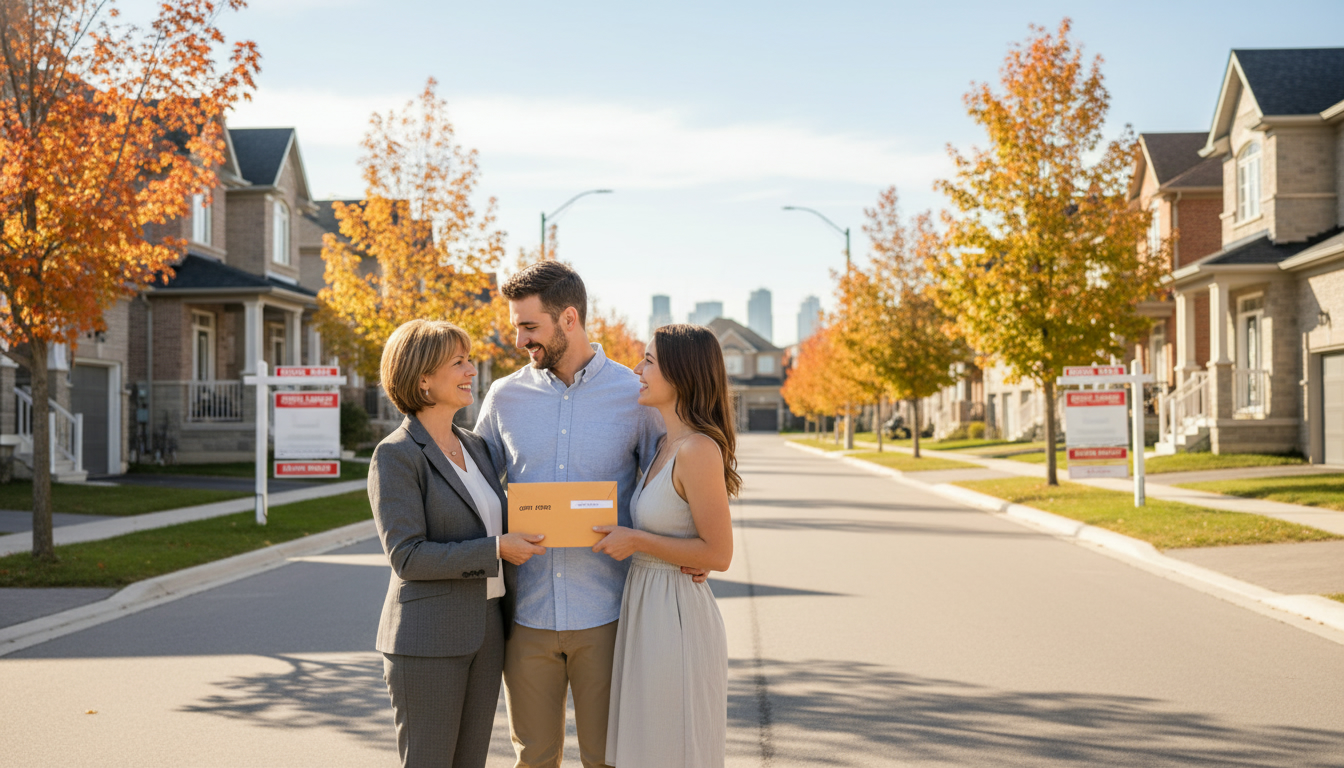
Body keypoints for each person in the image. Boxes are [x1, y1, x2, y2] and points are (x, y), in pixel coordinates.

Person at [475, 261, 705, 768]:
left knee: (606, 758)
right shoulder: (504, 397)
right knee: (533, 758)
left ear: (570, 319)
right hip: (527, 613)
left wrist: (693, 546)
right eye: (516, 325)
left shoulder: (636, 395)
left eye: (529, 326)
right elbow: (478, 490)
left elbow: (666, 483)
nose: (519, 339)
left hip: (609, 613)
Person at [369, 319, 547, 768]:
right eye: (459, 362)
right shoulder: (396, 455)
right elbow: (406, 556)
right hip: (427, 639)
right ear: (423, 378)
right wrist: (496, 551)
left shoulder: (477, 447)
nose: (472, 371)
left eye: (470, 360)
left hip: (487, 632)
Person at [594, 324, 738, 768]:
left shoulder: (697, 449)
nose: (637, 369)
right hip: (646, 606)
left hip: (674, 616)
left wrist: (636, 540)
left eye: (649, 361)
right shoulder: (664, 444)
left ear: (682, 373)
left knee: (671, 747)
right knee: (646, 746)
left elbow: (719, 554)